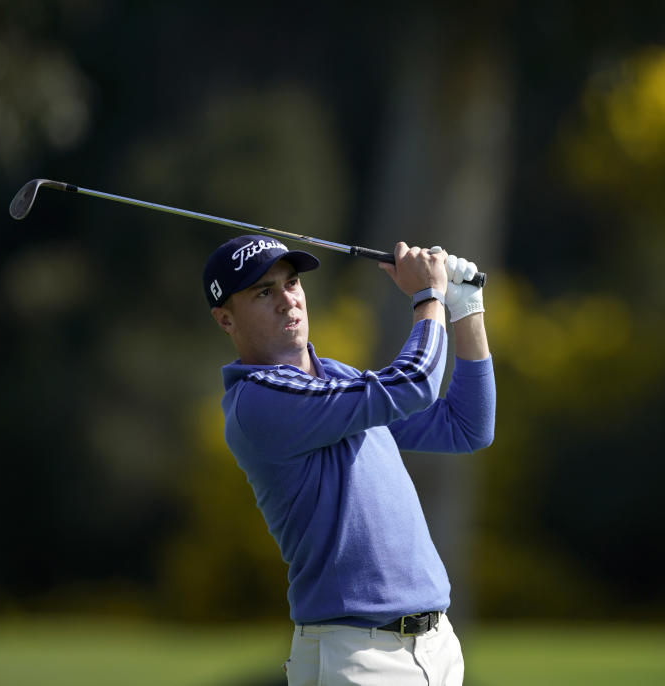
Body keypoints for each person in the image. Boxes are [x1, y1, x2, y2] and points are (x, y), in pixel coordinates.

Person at [203, 235, 496, 686]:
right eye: (264, 292)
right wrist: (428, 296)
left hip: (438, 647)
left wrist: (466, 308)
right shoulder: (258, 402)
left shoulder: (337, 378)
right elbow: (415, 383)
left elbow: (466, 426)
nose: (288, 301)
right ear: (225, 319)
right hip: (357, 657)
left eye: (292, 282)